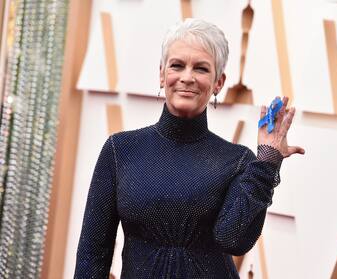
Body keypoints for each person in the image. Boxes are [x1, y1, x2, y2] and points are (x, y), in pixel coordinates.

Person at [74, 18, 304, 279]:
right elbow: (92, 253)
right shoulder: (120, 150)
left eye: (201, 69)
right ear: (162, 74)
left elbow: (233, 240)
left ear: (218, 82)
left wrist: (268, 160)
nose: (187, 77)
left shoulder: (238, 161)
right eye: (177, 65)